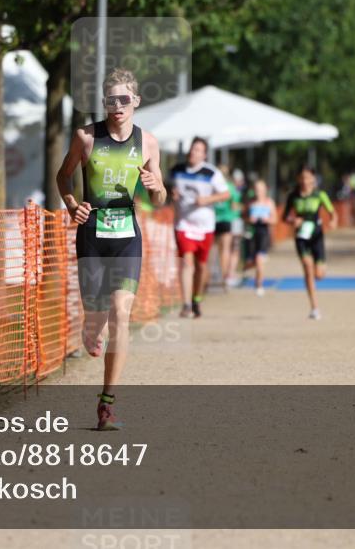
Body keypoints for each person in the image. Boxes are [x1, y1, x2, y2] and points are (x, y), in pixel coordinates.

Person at [56, 67, 166, 430]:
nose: (116, 106)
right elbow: (63, 175)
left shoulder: (148, 142)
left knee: (121, 314)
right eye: (110, 100)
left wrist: (154, 186)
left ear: (135, 101)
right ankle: (91, 328)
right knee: (96, 320)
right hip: (91, 234)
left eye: (123, 99)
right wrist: (74, 206)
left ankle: (107, 402)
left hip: (126, 236)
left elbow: (162, 196)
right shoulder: (86, 138)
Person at [169, 137, 230, 318]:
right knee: (187, 263)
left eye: (197, 150)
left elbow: (225, 194)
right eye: (192, 148)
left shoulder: (212, 173)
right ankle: (186, 304)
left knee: (201, 267)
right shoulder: (176, 170)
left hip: (205, 226)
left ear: (204, 154)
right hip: (183, 224)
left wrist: (207, 200)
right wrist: (171, 193)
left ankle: (196, 298)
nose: (193, 152)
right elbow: (165, 188)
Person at [283, 165, 338, 320]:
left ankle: (319, 269)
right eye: (302, 178)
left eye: (308, 177)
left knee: (319, 275)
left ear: (313, 179)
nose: (305, 181)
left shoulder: (320, 195)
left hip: (317, 236)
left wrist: (333, 221)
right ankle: (314, 307)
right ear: (298, 179)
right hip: (301, 237)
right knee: (307, 268)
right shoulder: (293, 196)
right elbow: (284, 217)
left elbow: (333, 212)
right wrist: (294, 220)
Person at [244, 178, 278, 296]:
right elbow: (244, 217)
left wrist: (267, 219)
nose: (259, 192)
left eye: (261, 190)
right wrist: (249, 219)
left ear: (265, 190)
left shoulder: (269, 202)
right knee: (251, 261)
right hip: (251, 233)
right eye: (257, 189)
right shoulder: (250, 203)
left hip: (263, 233)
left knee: (259, 260)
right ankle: (246, 269)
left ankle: (259, 284)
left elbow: (275, 219)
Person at [213, 165, 242, 291]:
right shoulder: (230, 187)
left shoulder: (212, 186)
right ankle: (225, 278)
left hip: (213, 220)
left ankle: (215, 277)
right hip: (226, 220)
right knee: (226, 250)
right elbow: (235, 206)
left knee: (215, 250)